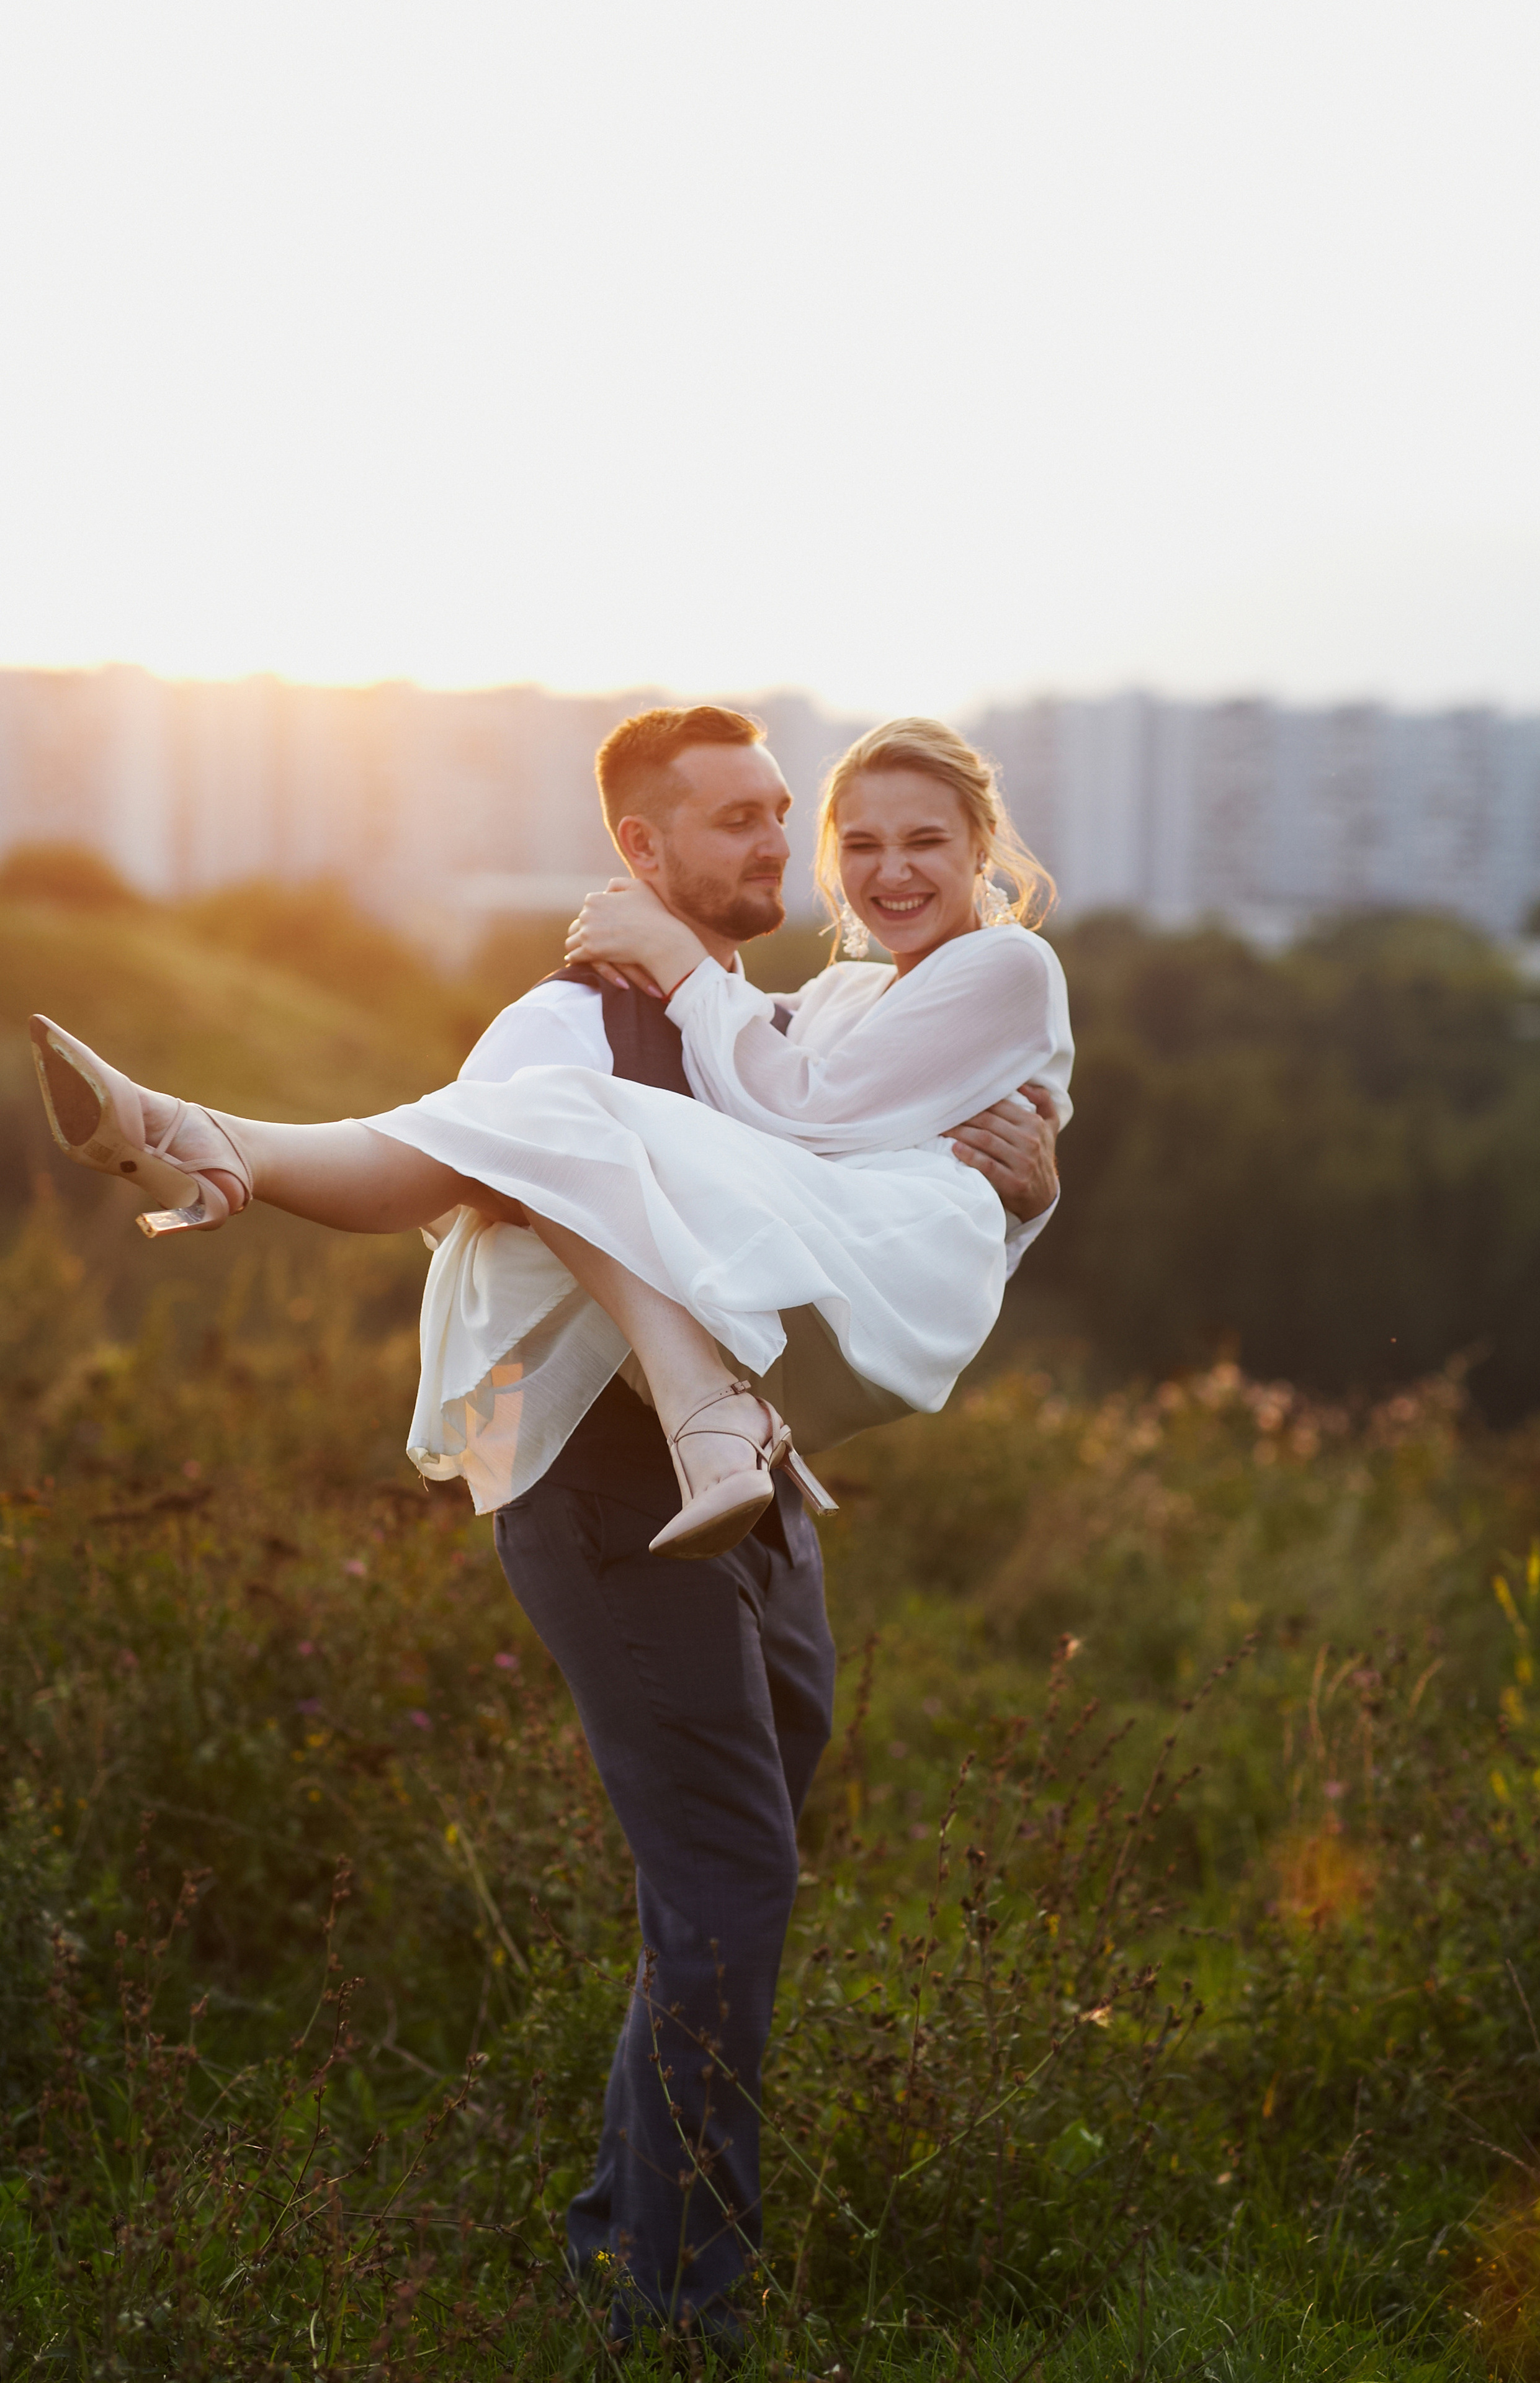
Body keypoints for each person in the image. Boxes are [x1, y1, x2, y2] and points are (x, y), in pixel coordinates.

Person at [30, 706, 1072, 2347]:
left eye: (779, 813)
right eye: (741, 821)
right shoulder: (568, 1018)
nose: (779, 845)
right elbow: (443, 1168)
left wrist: (1028, 1185)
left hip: (757, 1472)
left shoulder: (799, 1015)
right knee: (728, 1872)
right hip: (600, 1470)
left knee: (742, 1859)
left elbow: (866, 1165)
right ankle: (668, 2308)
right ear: (640, 854)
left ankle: (623, 2241)